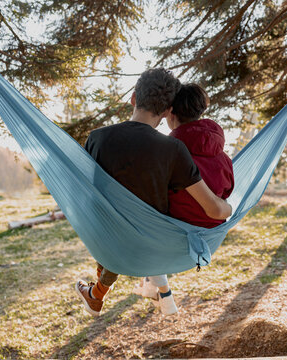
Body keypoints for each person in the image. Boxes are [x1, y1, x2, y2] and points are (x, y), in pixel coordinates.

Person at [75, 69, 232, 317]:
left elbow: (88, 197)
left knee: (108, 217)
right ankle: (152, 294)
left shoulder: (97, 139)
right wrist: (229, 208)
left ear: (134, 98)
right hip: (151, 245)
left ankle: (98, 290)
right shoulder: (174, 149)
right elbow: (212, 208)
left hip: (108, 242)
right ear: (169, 110)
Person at [133, 83, 234, 314]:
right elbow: (226, 192)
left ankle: (159, 289)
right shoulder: (222, 155)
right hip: (211, 232)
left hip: (175, 231)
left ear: (170, 112)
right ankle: (152, 287)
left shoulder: (166, 152)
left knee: (146, 218)